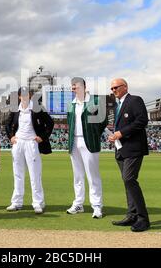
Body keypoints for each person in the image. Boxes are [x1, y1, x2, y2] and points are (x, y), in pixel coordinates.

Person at [108, 78, 150, 232]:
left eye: (116, 87)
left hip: (133, 148)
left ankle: (143, 219)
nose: (113, 90)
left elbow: (142, 121)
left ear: (125, 87)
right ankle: (131, 215)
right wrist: (114, 135)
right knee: (127, 182)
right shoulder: (117, 105)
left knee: (129, 179)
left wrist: (121, 133)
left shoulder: (135, 100)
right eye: (111, 89)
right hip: (121, 149)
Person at [5, 86, 54, 214]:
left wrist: (42, 137)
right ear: (19, 96)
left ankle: (38, 203)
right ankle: (16, 202)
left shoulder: (37, 108)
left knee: (35, 174)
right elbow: (7, 124)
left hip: (32, 143)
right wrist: (11, 137)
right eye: (23, 95)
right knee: (18, 174)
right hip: (18, 143)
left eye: (28, 94)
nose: (25, 97)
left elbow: (50, 123)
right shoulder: (16, 109)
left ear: (30, 96)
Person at [66, 77, 108, 219]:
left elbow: (103, 121)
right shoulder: (71, 104)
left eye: (76, 85)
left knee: (92, 175)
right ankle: (78, 203)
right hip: (74, 142)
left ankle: (97, 206)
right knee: (77, 176)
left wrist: (93, 134)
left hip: (89, 141)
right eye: (72, 86)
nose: (74, 88)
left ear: (84, 86)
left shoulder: (95, 101)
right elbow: (69, 122)